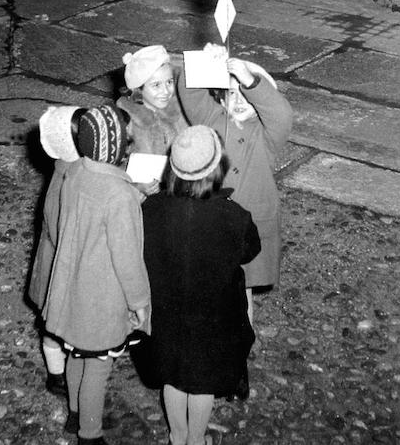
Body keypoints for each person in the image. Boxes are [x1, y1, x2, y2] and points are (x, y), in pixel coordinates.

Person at [142, 125, 260, 445]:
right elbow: (251, 250)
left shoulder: (150, 209)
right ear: (217, 168)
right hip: (213, 317)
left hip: (166, 313)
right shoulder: (235, 216)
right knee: (202, 382)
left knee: (173, 376)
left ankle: (177, 436)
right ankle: (196, 438)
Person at [40, 104, 150, 445]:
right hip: (100, 296)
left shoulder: (74, 173)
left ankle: (75, 412)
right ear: (118, 149)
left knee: (76, 354)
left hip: (71, 289)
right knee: (98, 368)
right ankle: (89, 433)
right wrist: (140, 301)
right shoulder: (120, 194)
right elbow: (128, 257)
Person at [177, 44, 293, 325]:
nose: (240, 100)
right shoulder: (212, 119)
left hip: (251, 223)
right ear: (221, 97)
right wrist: (207, 61)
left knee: (243, 289)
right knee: (208, 281)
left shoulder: (266, 133)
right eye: (232, 93)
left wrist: (250, 80)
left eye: (247, 94)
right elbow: (189, 91)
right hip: (212, 220)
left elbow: (281, 113)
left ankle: (242, 340)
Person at [27, 103, 84, 398]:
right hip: (57, 265)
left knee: (57, 319)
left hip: (61, 261)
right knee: (53, 322)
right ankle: (55, 373)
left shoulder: (69, 171)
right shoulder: (67, 182)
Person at [117, 45, 187, 194]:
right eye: (156, 85)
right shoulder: (127, 121)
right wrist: (136, 187)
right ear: (138, 88)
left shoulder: (175, 113)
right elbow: (112, 169)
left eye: (169, 82)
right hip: (137, 198)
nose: (166, 91)